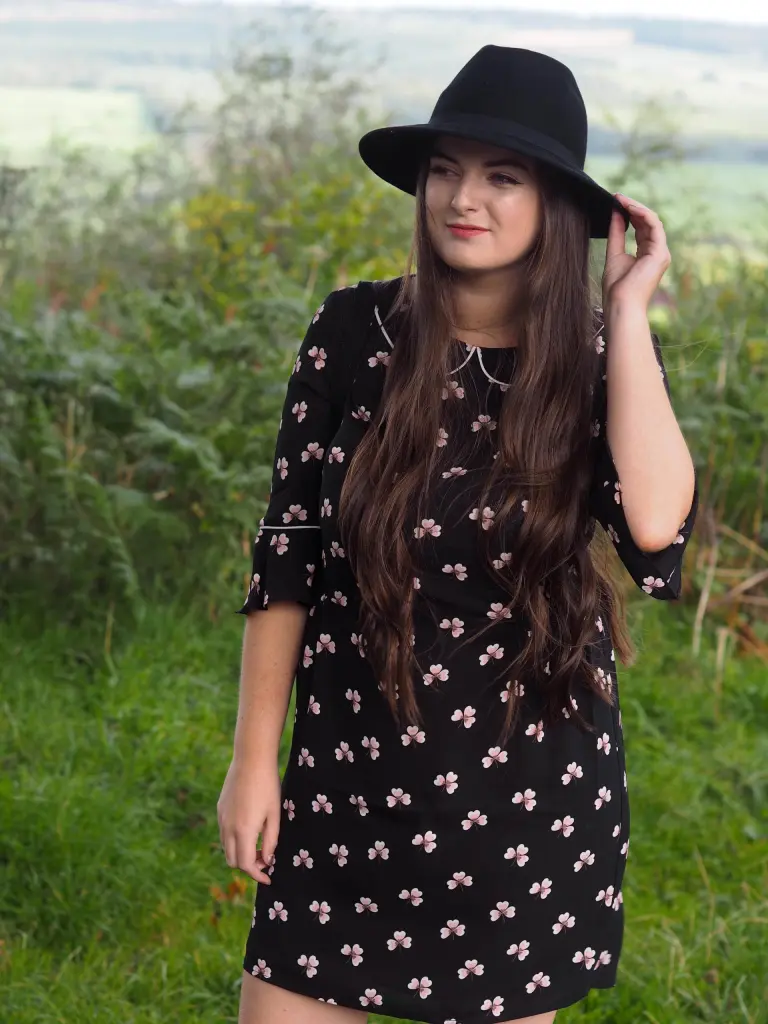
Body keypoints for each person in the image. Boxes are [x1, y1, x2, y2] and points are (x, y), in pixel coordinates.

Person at [219, 45, 699, 1024]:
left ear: (555, 204)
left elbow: (656, 527)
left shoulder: (594, 358)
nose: (463, 197)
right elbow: (289, 553)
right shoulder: (352, 332)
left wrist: (626, 314)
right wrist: (252, 759)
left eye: (502, 177)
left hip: (524, 799)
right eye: (446, 169)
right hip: (349, 775)